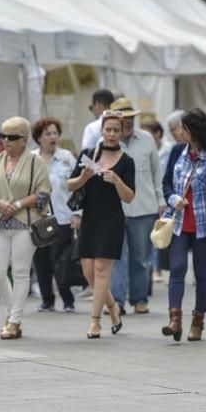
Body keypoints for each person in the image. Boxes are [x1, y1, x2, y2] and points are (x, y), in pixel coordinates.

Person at [0, 116, 52, 340]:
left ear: (25, 139)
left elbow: (44, 192)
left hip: (25, 222)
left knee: (21, 272)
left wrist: (19, 203)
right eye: (4, 136)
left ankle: (14, 321)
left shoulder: (35, 162)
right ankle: (11, 313)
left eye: (12, 137)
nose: (6, 141)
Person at [68, 111, 135, 339]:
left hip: (112, 220)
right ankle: (113, 308)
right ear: (102, 131)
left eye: (117, 130)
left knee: (101, 270)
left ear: (122, 132)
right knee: (89, 272)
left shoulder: (127, 161)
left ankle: (95, 321)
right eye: (109, 129)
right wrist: (84, 177)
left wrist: (117, 180)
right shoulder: (88, 154)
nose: (112, 134)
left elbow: (129, 197)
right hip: (90, 218)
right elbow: (71, 184)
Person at [161, 108, 206, 342]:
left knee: (201, 272)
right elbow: (166, 182)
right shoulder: (177, 151)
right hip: (178, 220)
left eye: (183, 128)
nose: (178, 132)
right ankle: (174, 320)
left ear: (194, 131)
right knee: (176, 268)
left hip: (203, 223)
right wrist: (173, 198)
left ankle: (198, 322)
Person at [108, 97, 164, 315]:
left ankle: (139, 299)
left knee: (141, 257)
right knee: (116, 257)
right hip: (114, 209)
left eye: (131, 118)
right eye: (123, 119)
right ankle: (118, 301)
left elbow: (156, 173)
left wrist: (161, 201)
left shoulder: (147, 138)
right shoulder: (107, 142)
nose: (128, 122)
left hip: (144, 209)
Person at [31, 117, 79, 312]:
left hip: (62, 217)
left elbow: (77, 188)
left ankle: (68, 300)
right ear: (38, 138)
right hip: (37, 218)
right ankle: (47, 300)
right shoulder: (31, 159)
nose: (52, 137)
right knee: (41, 261)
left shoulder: (67, 158)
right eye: (47, 134)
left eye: (55, 133)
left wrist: (77, 213)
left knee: (59, 260)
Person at [143, 120, 174, 284]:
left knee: (161, 233)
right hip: (148, 196)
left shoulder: (169, 150)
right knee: (149, 235)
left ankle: (158, 269)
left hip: (164, 195)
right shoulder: (144, 148)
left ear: (158, 134)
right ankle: (152, 268)